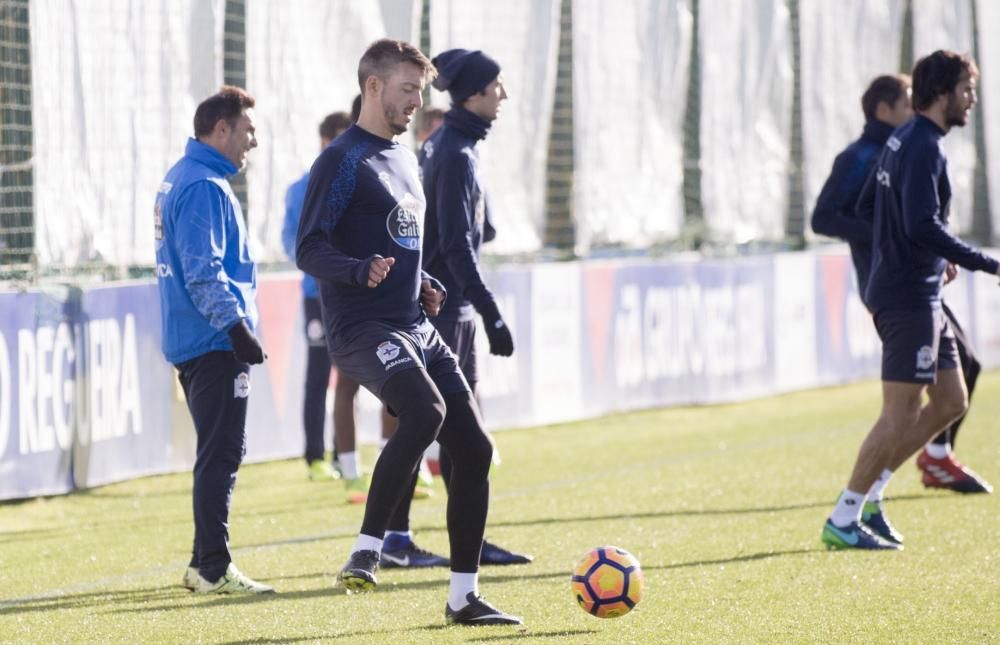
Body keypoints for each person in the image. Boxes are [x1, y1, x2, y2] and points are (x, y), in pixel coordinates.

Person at [296, 38, 521, 625]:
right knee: (425, 413)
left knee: (474, 446)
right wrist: (356, 271)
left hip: (411, 321)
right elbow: (309, 247)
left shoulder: (403, 156)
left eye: (419, 91)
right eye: (405, 90)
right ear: (373, 87)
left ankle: (462, 597)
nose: (415, 102)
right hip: (360, 326)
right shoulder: (342, 160)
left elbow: (397, 235)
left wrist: (419, 279)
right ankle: (369, 548)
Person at [821, 50, 999, 551]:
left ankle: (871, 497)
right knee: (900, 413)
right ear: (942, 93)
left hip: (918, 290)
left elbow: (869, 207)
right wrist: (990, 263)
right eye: (966, 90)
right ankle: (844, 516)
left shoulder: (902, 140)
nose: (972, 99)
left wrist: (916, 250)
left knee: (951, 400)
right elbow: (922, 223)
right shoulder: (921, 144)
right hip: (905, 297)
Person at [378, 48, 533, 570]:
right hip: (445, 310)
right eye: (496, 87)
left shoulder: (453, 145)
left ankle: (468, 538)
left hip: (451, 309)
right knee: (430, 428)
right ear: (472, 94)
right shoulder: (454, 151)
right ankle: (394, 540)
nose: (503, 95)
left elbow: (463, 229)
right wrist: (491, 312)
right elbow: (455, 248)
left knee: (459, 435)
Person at [155, 86, 274, 593]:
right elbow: (204, 273)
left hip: (195, 338)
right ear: (220, 129)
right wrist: (236, 328)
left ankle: (202, 561)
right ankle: (212, 568)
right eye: (248, 131)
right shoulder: (204, 185)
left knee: (217, 449)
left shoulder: (180, 178)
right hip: (213, 341)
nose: (254, 142)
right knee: (222, 452)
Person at [282, 111, 352, 483]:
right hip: (316, 295)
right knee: (318, 374)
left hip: (351, 295)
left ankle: (347, 454)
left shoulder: (356, 182)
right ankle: (314, 456)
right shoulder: (301, 188)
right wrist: (328, 268)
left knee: (352, 375)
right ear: (325, 142)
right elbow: (291, 242)